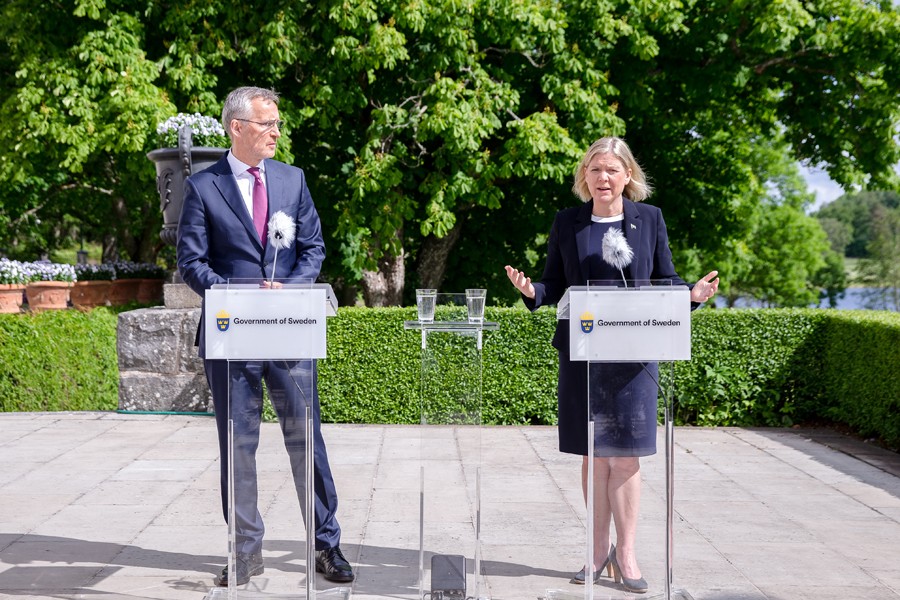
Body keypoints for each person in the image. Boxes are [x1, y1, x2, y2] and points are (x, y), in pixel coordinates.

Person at [504, 136, 718, 593]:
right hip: (584, 354)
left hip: (634, 354)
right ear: (585, 175)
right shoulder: (567, 222)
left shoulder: (649, 219)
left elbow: (665, 279)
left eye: (612, 170)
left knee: (625, 456)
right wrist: (531, 291)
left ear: (628, 176)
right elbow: (553, 283)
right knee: (595, 455)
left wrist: (692, 295)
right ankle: (596, 551)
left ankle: (627, 554)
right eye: (595, 169)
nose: (603, 177)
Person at [177, 86, 354, 587]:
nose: (276, 132)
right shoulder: (202, 187)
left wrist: (290, 290)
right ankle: (245, 552)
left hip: (290, 331)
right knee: (238, 446)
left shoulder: (292, 179)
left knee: (307, 440)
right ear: (237, 127)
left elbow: (313, 248)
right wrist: (236, 294)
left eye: (277, 123)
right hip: (231, 335)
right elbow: (191, 262)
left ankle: (326, 545)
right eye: (267, 123)